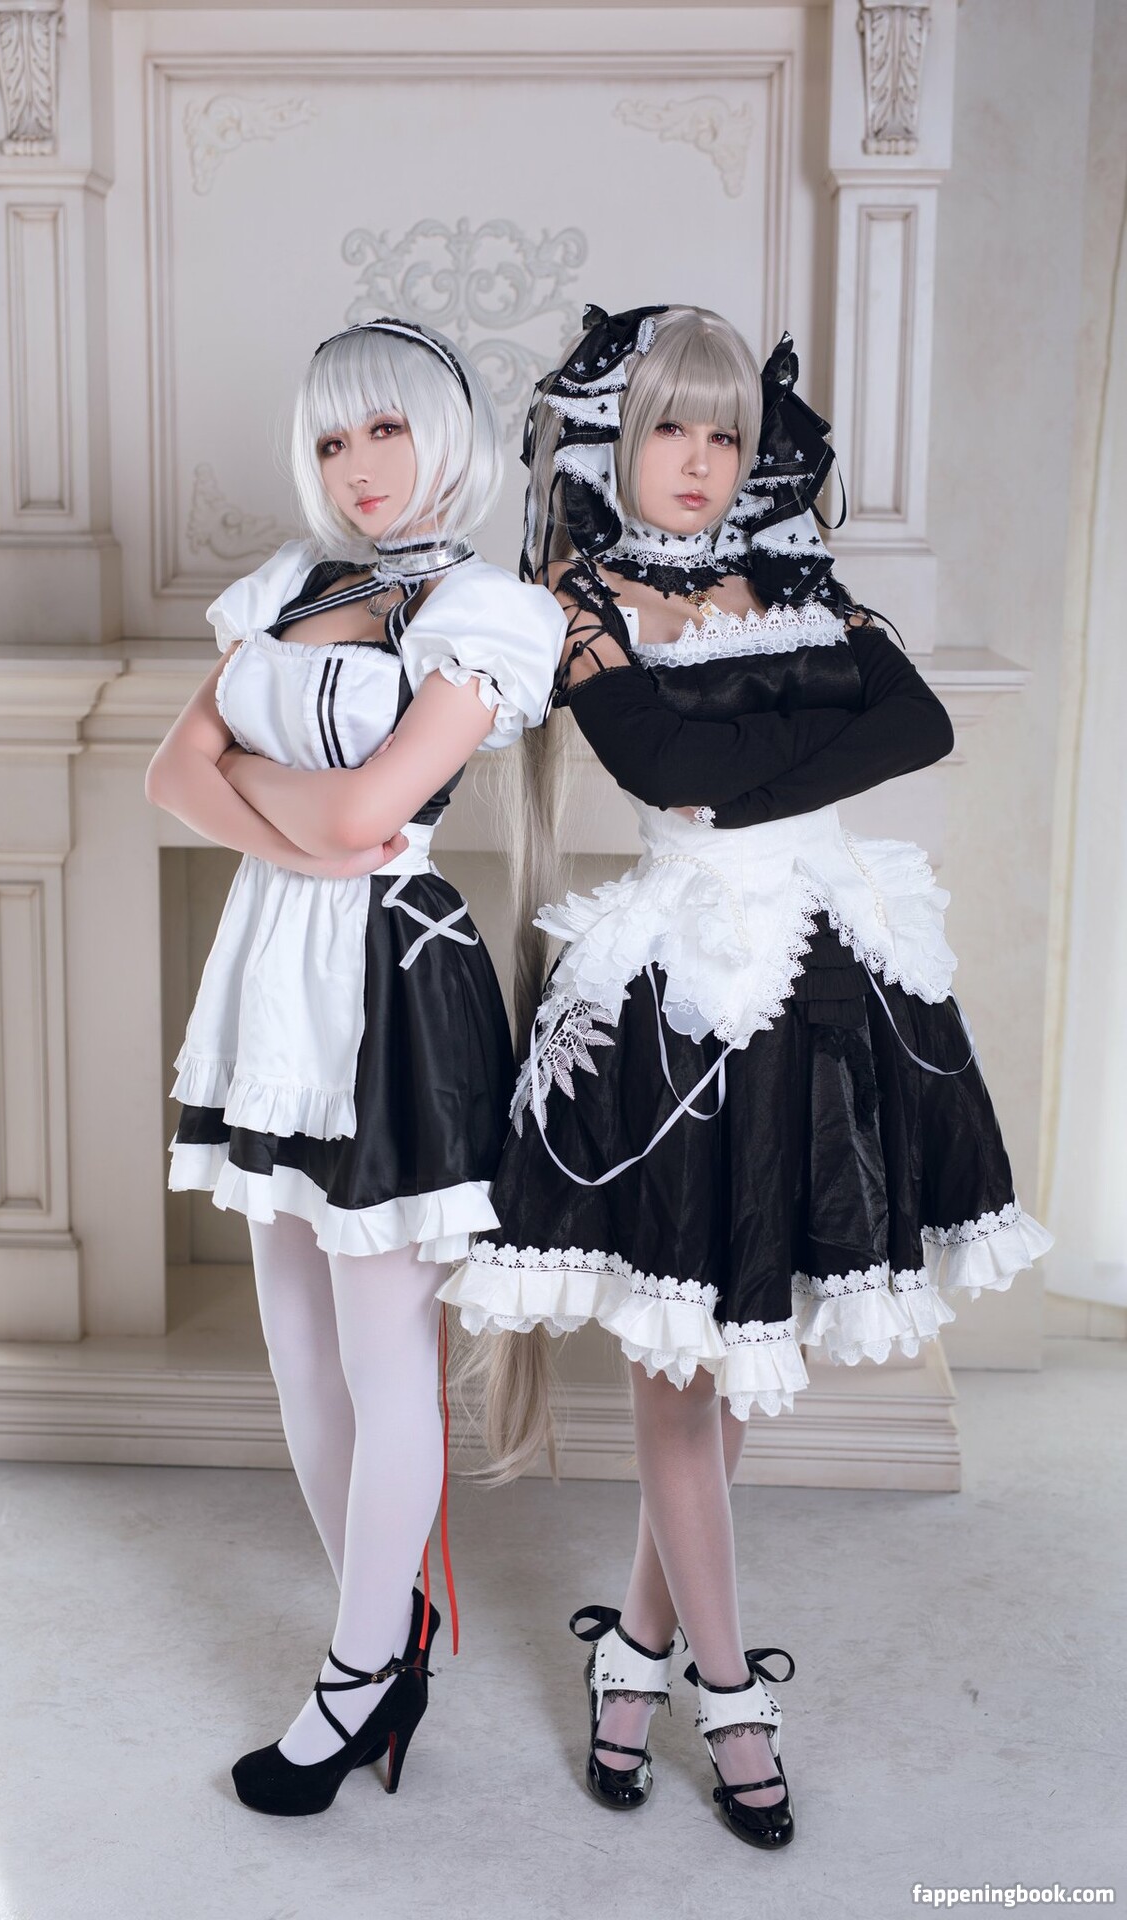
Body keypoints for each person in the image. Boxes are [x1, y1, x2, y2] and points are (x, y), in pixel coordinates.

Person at [439, 303, 1052, 1849]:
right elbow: (668, 773)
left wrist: (753, 783)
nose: (702, 460)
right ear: (614, 442)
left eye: (727, 432)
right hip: (684, 997)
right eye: (672, 427)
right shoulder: (578, 601)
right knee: (680, 1367)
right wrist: (786, 759)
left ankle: (634, 1658)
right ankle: (730, 1699)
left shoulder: (796, 577)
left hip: (836, 986)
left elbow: (916, 724)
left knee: (742, 1357)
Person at [145, 316, 564, 1816]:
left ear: (443, 437)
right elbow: (169, 776)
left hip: (393, 982)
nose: (359, 467)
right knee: (298, 1354)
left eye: (386, 430)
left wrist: (271, 803)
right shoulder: (286, 587)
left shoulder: (488, 609)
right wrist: (302, 826)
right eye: (332, 439)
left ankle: (355, 1675)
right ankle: (387, 1637)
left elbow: (365, 816)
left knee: (388, 1364)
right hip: (272, 971)